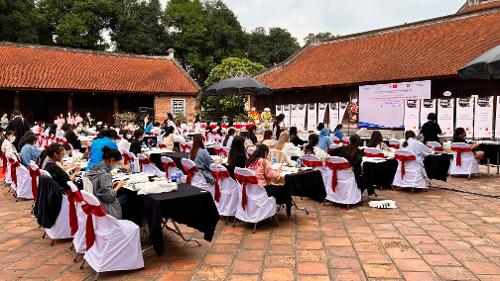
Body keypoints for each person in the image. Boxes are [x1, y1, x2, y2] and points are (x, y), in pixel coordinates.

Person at [245, 144, 290, 210]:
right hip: (262, 190)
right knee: (284, 189)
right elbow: (273, 176)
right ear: (265, 153)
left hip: (250, 189)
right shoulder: (264, 161)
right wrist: (278, 171)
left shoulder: (249, 162)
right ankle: (277, 206)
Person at [85, 147, 125, 219]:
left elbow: (98, 185)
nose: (117, 166)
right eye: (117, 163)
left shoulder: (95, 167)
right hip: (104, 207)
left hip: (94, 202)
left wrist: (111, 185)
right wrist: (119, 185)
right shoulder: (105, 174)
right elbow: (108, 197)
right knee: (130, 198)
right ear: (112, 160)